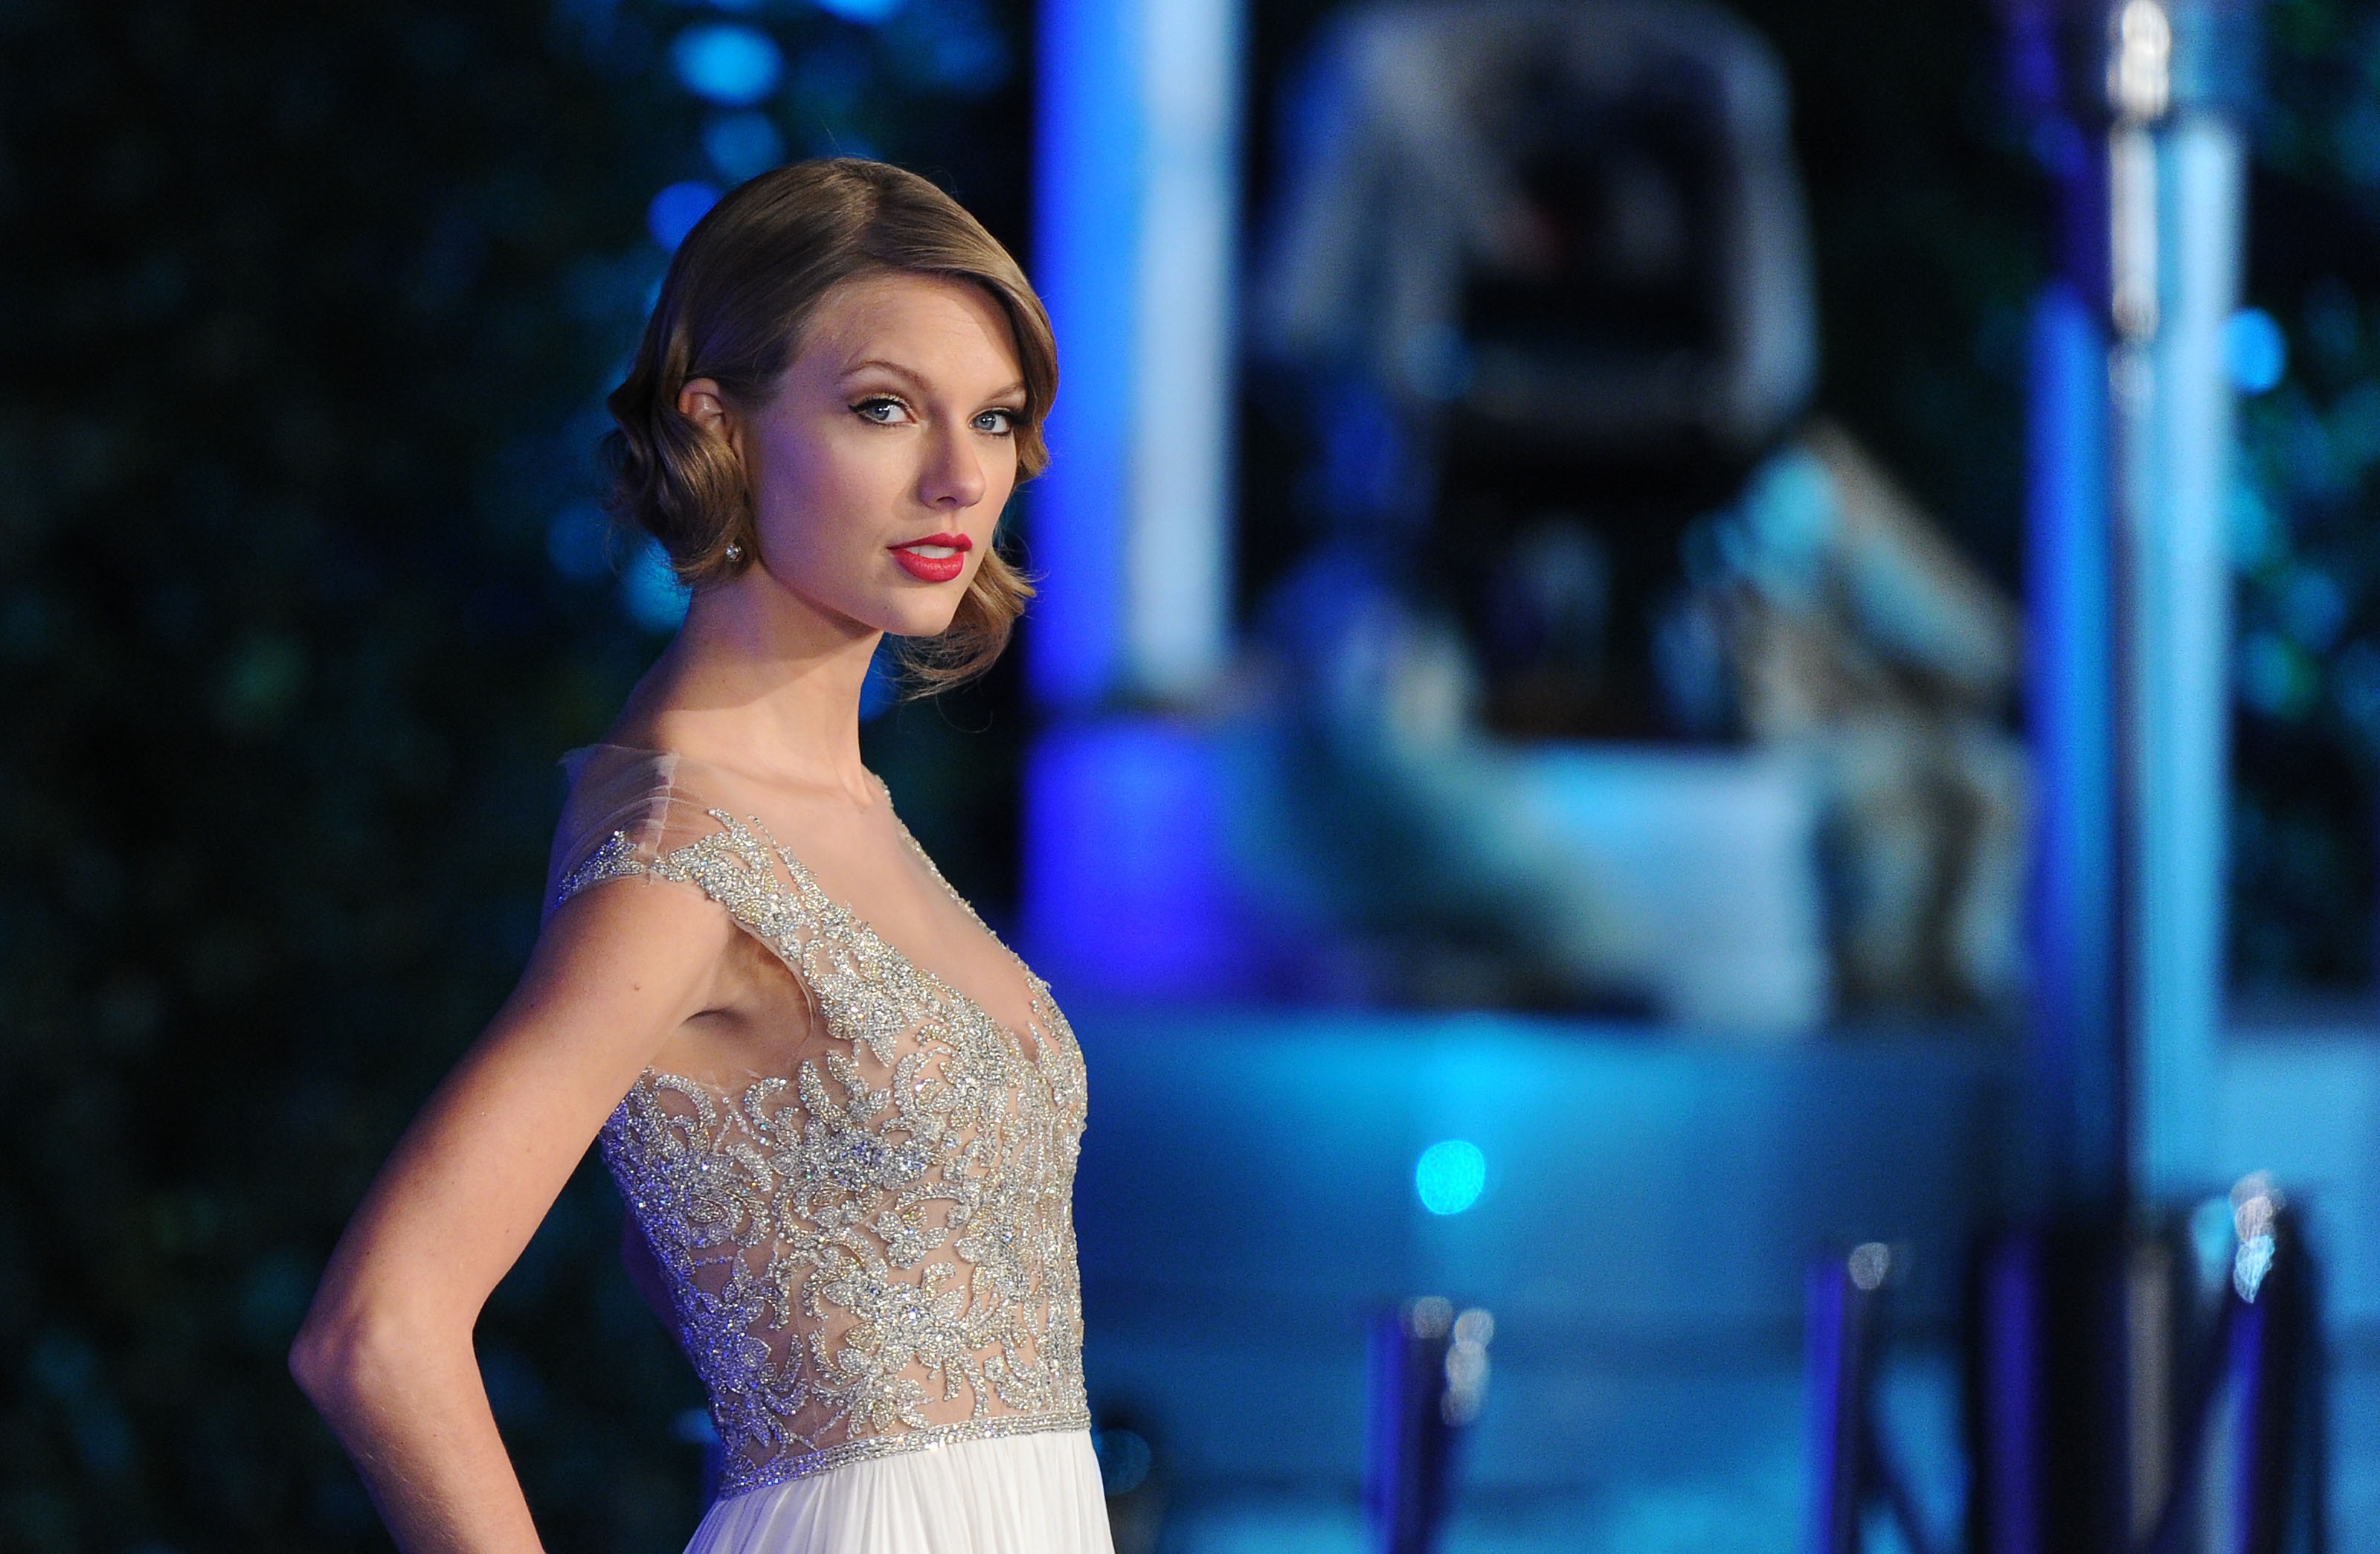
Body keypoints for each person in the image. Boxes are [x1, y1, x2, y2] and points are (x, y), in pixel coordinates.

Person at [289, 158, 1108, 1554]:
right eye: (883, 408)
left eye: (992, 416)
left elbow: (680, 1250)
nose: (960, 477)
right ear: (715, 421)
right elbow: (376, 1329)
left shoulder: (842, 807)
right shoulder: (680, 855)